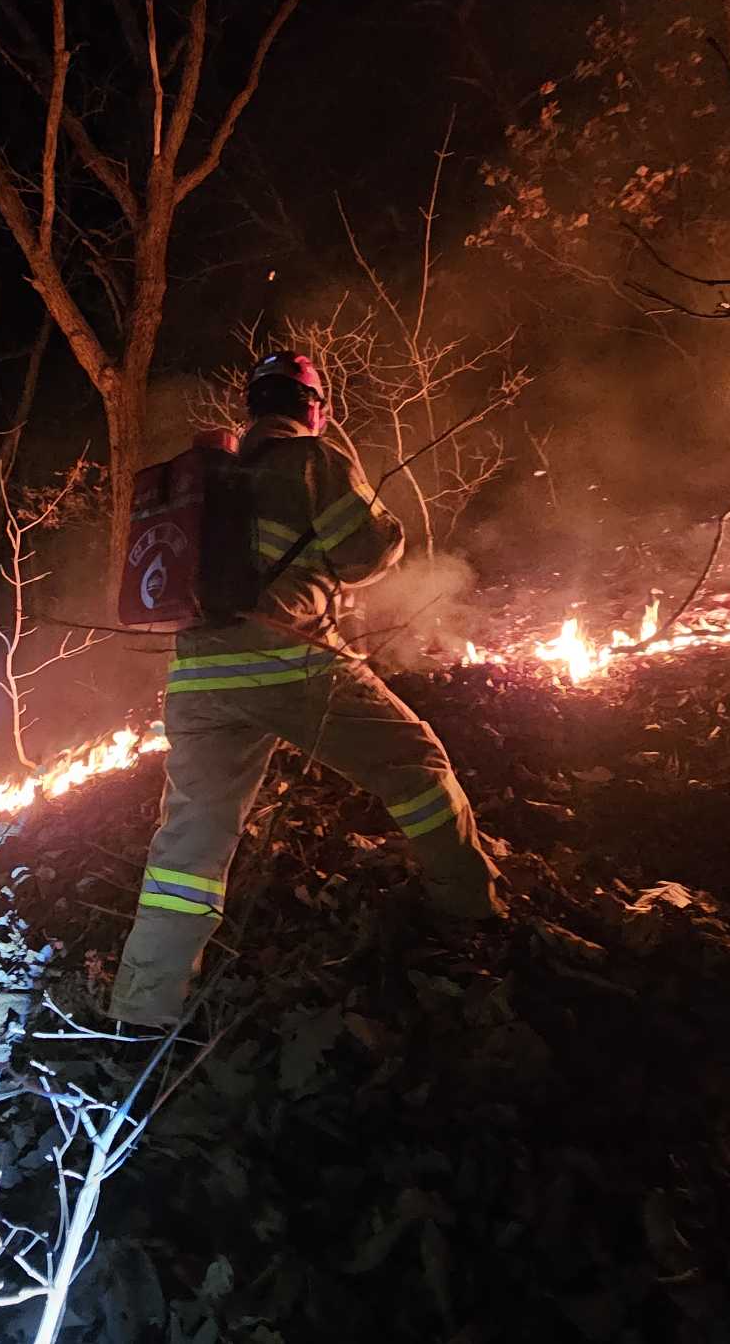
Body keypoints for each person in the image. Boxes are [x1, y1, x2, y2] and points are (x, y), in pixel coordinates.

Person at [109, 351, 505, 1025]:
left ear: (252, 407)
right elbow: (367, 554)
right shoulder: (312, 460)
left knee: (189, 846)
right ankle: (473, 908)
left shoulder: (208, 477)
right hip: (290, 661)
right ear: (315, 409)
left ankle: (144, 1005)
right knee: (415, 764)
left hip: (197, 678)